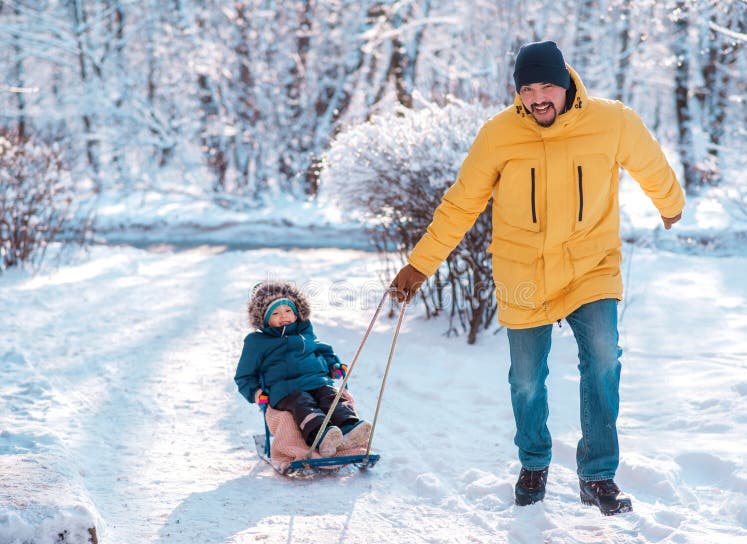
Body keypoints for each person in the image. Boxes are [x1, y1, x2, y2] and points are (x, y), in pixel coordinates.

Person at [390, 40, 684, 516]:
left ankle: (598, 476)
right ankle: (533, 463)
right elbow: (462, 202)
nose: (538, 97)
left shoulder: (613, 122)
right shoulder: (498, 135)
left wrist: (670, 204)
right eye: (527, 89)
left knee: (604, 360)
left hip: (591, 266)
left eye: (547, 85)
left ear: (566, 83)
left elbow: (651, 164)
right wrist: (420, 264)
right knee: (526, 379)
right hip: (522, 271)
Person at [234, 281, 372, 457]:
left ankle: (349, 428)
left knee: (332, 396)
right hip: (285, 390)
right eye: (275, 313)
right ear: (264, 318)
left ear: (296, 312)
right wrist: (256, 392)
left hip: (317, 381)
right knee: (303, 403)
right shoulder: (257, 342)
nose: (283, 316)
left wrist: (333, 365)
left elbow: (322, 350)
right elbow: (244, 376)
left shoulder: (304, 330)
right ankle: (321, 436)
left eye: (288, 310)